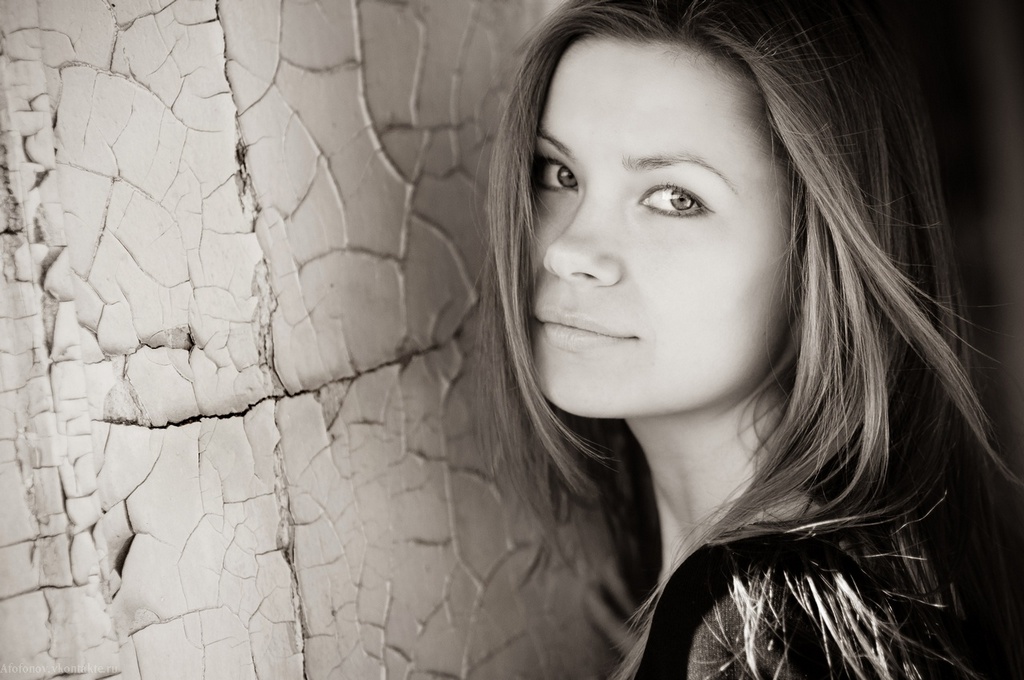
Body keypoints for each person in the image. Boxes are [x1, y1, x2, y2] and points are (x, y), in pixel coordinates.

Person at [478, 0, 1024, 677]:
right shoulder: (803, 598)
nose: (567, 252)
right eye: (558, 174)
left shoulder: (759, 628)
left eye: (676, 198)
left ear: (821, 257)